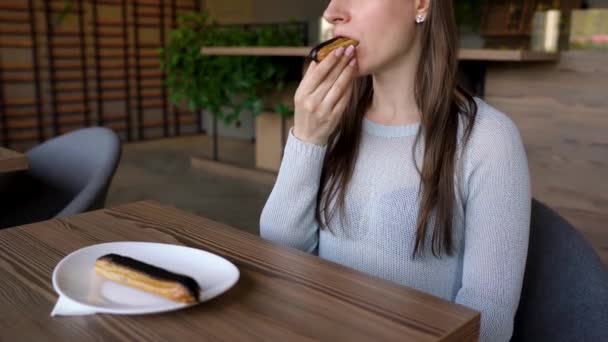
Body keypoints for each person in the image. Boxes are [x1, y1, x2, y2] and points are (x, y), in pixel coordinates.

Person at [260, 1, 531, 340]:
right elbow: (281, 255)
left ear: (420, 4)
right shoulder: (332, 121)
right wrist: (308, 139)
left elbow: (488, 325)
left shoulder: (488, 139)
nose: (331, 12)